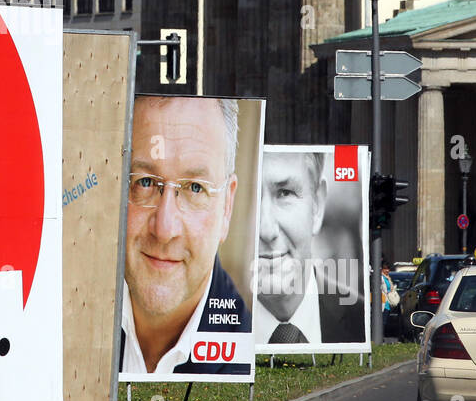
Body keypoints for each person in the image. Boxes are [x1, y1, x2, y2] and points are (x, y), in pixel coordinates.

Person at [121, 96, 251, 375]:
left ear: (226, 207)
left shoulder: (245, 360)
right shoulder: (66, 320)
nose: (165, 230)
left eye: (194, 188)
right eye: (145, 182)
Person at [255, 151, 363, 345]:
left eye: (285, 193)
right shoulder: (200, 325)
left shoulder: (360, 319)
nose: (266, 230)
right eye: (249, 195)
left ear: (317, 205)